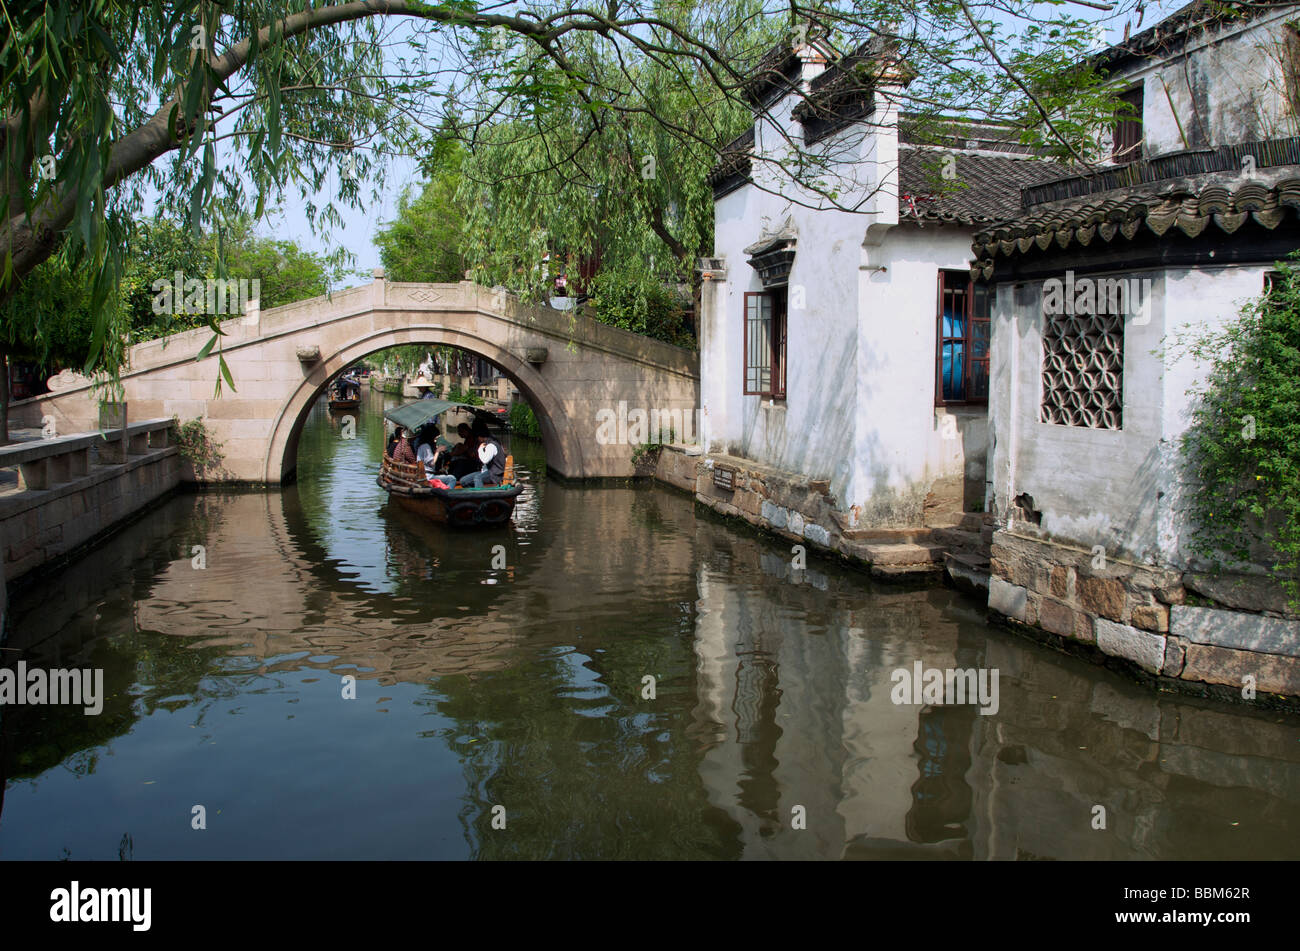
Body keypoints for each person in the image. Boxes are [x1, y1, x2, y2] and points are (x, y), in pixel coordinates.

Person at [454, 419, 506, 488]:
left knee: (477, 478)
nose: (477, 440)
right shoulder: (487, 444)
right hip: (485, 471)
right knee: (463, 481)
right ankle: (471, 496)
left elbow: (485, 460)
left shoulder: (491, 445)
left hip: (495, 474)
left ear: (480, 437)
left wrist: (480, 449)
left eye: (477, 438)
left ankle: (479, 495)